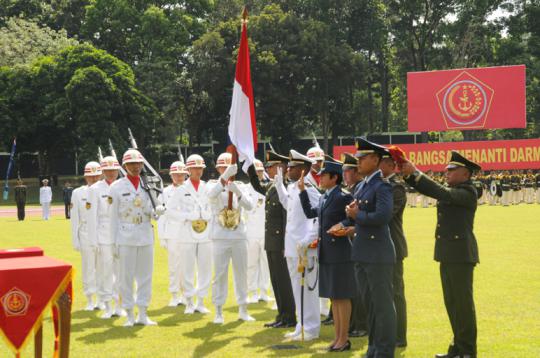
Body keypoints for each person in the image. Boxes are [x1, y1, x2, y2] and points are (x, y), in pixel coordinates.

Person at [400, 150, 480, 358]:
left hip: (461, 255)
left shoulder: (469, 191)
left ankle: (468, 351)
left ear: (465, 173)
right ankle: (457, 348)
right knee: (452, 304)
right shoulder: (455, 188)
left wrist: (416, 173)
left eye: (452, 170)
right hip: (447, 254)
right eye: (447, 169)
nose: (447, 172)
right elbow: (435, 190)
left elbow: (441, 193)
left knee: (462, 305)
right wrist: (409, 175)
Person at [329, 138, 396, 358]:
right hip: (362, 252)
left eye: (362, 158)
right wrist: (345, 221)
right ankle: (374, 347)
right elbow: (357, 217)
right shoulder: (362, 185)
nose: (358, 162)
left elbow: (384, 216)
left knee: (382, 306)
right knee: (369, 304)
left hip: (377, 253)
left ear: (376, 160)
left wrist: (357, 215)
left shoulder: (382, 185)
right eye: (357, 158)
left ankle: (385, 350)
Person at [299, 161, 354, 352]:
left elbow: (354, 218)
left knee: (342, 297)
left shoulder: (342, 196)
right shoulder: (324, 198)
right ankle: (338, 338)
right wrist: (302, 193)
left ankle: (344, 339)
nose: (320, 178)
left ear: (334, 178)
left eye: (324, 175)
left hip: (340, 253)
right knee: (334, 298)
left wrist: (341, 224)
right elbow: (310, 213)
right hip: (327, 253)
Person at [110, 149, 163, 326]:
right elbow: (112, 217)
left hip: (145, 233)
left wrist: (158, 211)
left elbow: (152, 211)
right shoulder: (116, 187)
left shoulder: (148, 184)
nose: (136, 167)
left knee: (145, 276)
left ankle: (143, 313)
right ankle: (129, 314)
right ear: (125, 166)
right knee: (126, 277)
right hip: (125, 235)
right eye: (132, 164)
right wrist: (113, 243)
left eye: (138, 163)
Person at [275, 149, 321, 341]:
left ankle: (311, 328)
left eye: (292, 168)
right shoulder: (294, 187)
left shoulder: (308, 188)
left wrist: (309, 239)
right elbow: (288, 205)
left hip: (305, 248)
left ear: (302, 169)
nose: (288, 170)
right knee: (296, 288)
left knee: (307, 289)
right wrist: (279, 185)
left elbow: (320, 216)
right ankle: (301, 324)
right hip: (293, 246)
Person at [248, 151, 297, 329]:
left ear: (281, 167)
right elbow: (257, 186)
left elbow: (287, 217)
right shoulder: (272, 186)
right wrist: (249, 167)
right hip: (271, 241)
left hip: (281, 242)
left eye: (271, 166)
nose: (268, 169)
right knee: (276, 280)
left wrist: (286, 242)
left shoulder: (287, 187)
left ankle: (289, 316)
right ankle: (281, 315)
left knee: (284, 281)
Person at [207, 152, 255, 324]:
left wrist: (238, 192)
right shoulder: (212, 184)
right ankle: (218, 311)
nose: (225, 169)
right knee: (219, 274)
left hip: (238, 234)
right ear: (218, 168)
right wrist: (225, 177)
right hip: (220, 235)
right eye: (222, 167)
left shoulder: (240, 185)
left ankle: (243, 308)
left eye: (228, 167)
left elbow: (249, 206)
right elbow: (211, 195)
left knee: (241, 273)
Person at [174, 154, 213, 314]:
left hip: (205, 232)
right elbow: (169, 210)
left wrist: (208, 215)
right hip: (187, 233)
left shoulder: (208, 187)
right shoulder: (182, 188)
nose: (198, 171)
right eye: (195, 168)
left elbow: (214, 206)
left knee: (205, 268)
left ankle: (201, 301)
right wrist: (185, 217)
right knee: (187, 268)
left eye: (200, 168)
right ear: (188, 170)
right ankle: (189, 301)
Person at [88, 156, 124, 318]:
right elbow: (92, 217)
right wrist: (93, 240)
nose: (111, 174)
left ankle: (119, 305)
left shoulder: (123, 186)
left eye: (113, 170)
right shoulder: (95, 189)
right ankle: (107, 305)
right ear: (102, 171)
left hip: (122, 234)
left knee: (121, 271)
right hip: (104, 235)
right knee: (106, 271)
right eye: (107, 171)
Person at [379, 153, 408, 348]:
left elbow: (387, 215)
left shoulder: (396, 187)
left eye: (381, 163)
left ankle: (399, 335)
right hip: (379, 245)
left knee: (396, 292)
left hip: (393, 245)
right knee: (382, 292)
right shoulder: (380, 185)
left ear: (390, 165)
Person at [341, 153, 369, 338]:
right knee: (353, 286)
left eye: (347, 170)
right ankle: (353, 323)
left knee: (359, 288)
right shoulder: (353, 188)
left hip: (359, 240)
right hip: (352, 240)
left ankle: (361, 324)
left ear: (356, 172)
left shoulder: (359, 189)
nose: (344, 174)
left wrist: (349, 228)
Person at [71, 162, 102, 311]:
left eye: (96, 176)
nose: (94, 179)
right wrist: (75, 239)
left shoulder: (105, 190)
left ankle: (102, 299)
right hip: (85, 233)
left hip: (102, 233)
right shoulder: (78, 193)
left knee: (103, 267)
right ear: (85, 177)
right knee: (88, 267)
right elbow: (74, 218)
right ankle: (90, 298)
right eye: (91, 176)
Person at [157, 161, 189, 308]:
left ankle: (187, 295)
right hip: (171, 233)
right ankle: (175, 295)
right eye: (175, 174)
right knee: (173, 266)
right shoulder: (165, 193)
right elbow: (161, 216)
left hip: (188, 232)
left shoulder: (191, 190)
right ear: (171, 175)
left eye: (181, 174)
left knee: (187, 266)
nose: (178, 176)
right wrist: (162, 236)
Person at [245, 159, 271, 303]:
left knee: (265, 263)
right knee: (251, 264)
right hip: (251, 231)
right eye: (256, 172)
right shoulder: (246, 188)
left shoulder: (269, 186)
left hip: (266, 230)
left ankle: (263, 291)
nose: (259, 175)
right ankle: (252, 292)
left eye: (260, 172)